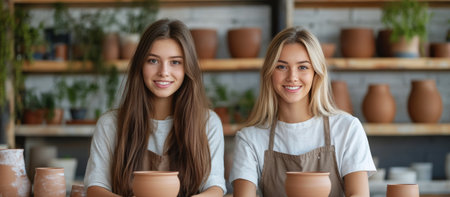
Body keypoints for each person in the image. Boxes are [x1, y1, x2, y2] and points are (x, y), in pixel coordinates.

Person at [84, 19, 226, 197]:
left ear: (188, 68)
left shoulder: (207, 123)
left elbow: (215, 188)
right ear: (140, 65)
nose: (164, 72)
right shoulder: (110, 124)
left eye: (175, 62)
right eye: (153, 60)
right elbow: (95, 188)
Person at [229, 27, 376, 197]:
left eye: (303, 67)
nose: (292, 77)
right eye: (282, 66)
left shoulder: (347, 129)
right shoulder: (250, 139)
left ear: (316, 73)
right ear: (269, 73)